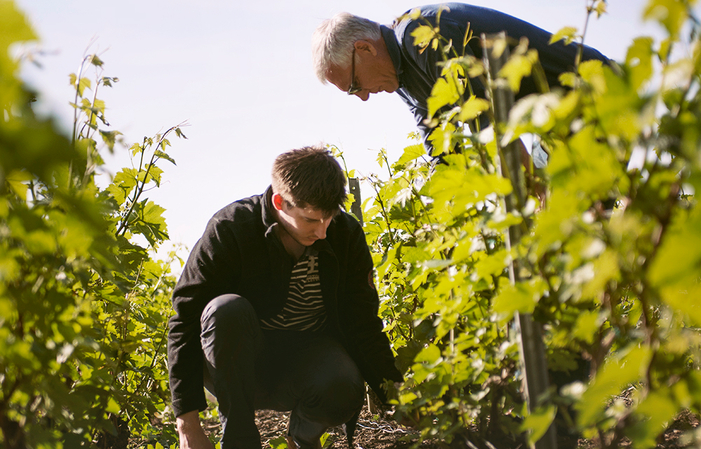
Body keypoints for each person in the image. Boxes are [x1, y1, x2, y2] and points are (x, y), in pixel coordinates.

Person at [167, 146, 403, 449]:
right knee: (225, 310)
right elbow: (184, 321)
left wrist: (395, 395)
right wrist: (187, 424)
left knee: (343, 382)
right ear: (280, 202)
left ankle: (300, 439)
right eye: (310, 220)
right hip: (236, 365)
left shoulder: (345, 235)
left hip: (308, 362)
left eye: (328, 218)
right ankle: (239, 441)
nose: (322, 232)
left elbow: (363, 322)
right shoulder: (231, 229)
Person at [312, 3, 609, 153]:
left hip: (595, 92)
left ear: (364, 48)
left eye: (355, 85)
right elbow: (441, 147)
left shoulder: (419, 35)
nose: (363, 96)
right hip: (558, 124)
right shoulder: (402, 79)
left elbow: (488, 119)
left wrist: (525, 193)